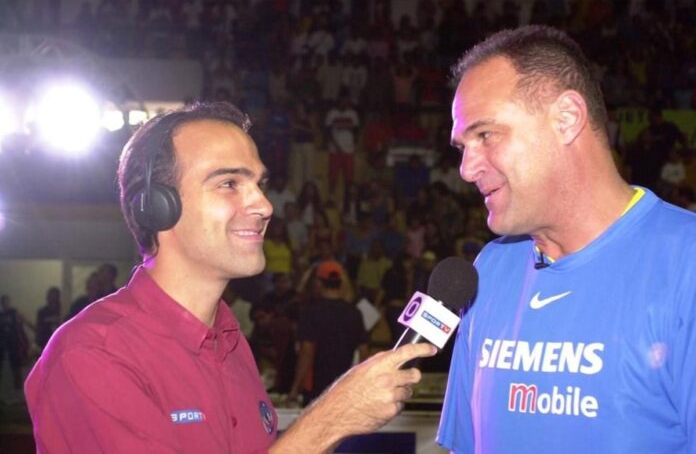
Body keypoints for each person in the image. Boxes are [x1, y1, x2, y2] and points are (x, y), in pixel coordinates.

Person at [25, 101, 436, 453]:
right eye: (229, 183)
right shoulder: (94, 354)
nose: (264, 205)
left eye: (259, 184)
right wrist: (330, 421)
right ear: (157, 207)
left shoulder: (231, 344)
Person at [438, 25, 696, 454]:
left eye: (485, 135)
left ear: (567, 118)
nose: (466, 169)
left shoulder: (686, 266)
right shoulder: (490, 270)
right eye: (462, 147)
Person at [288, 260, 369, 406]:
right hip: (344, 387)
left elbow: (306, 352)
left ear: (318, 282)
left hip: (316, 388)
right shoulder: (354, 313)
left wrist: (295, 388)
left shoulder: (311, 312)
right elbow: (364, 352)